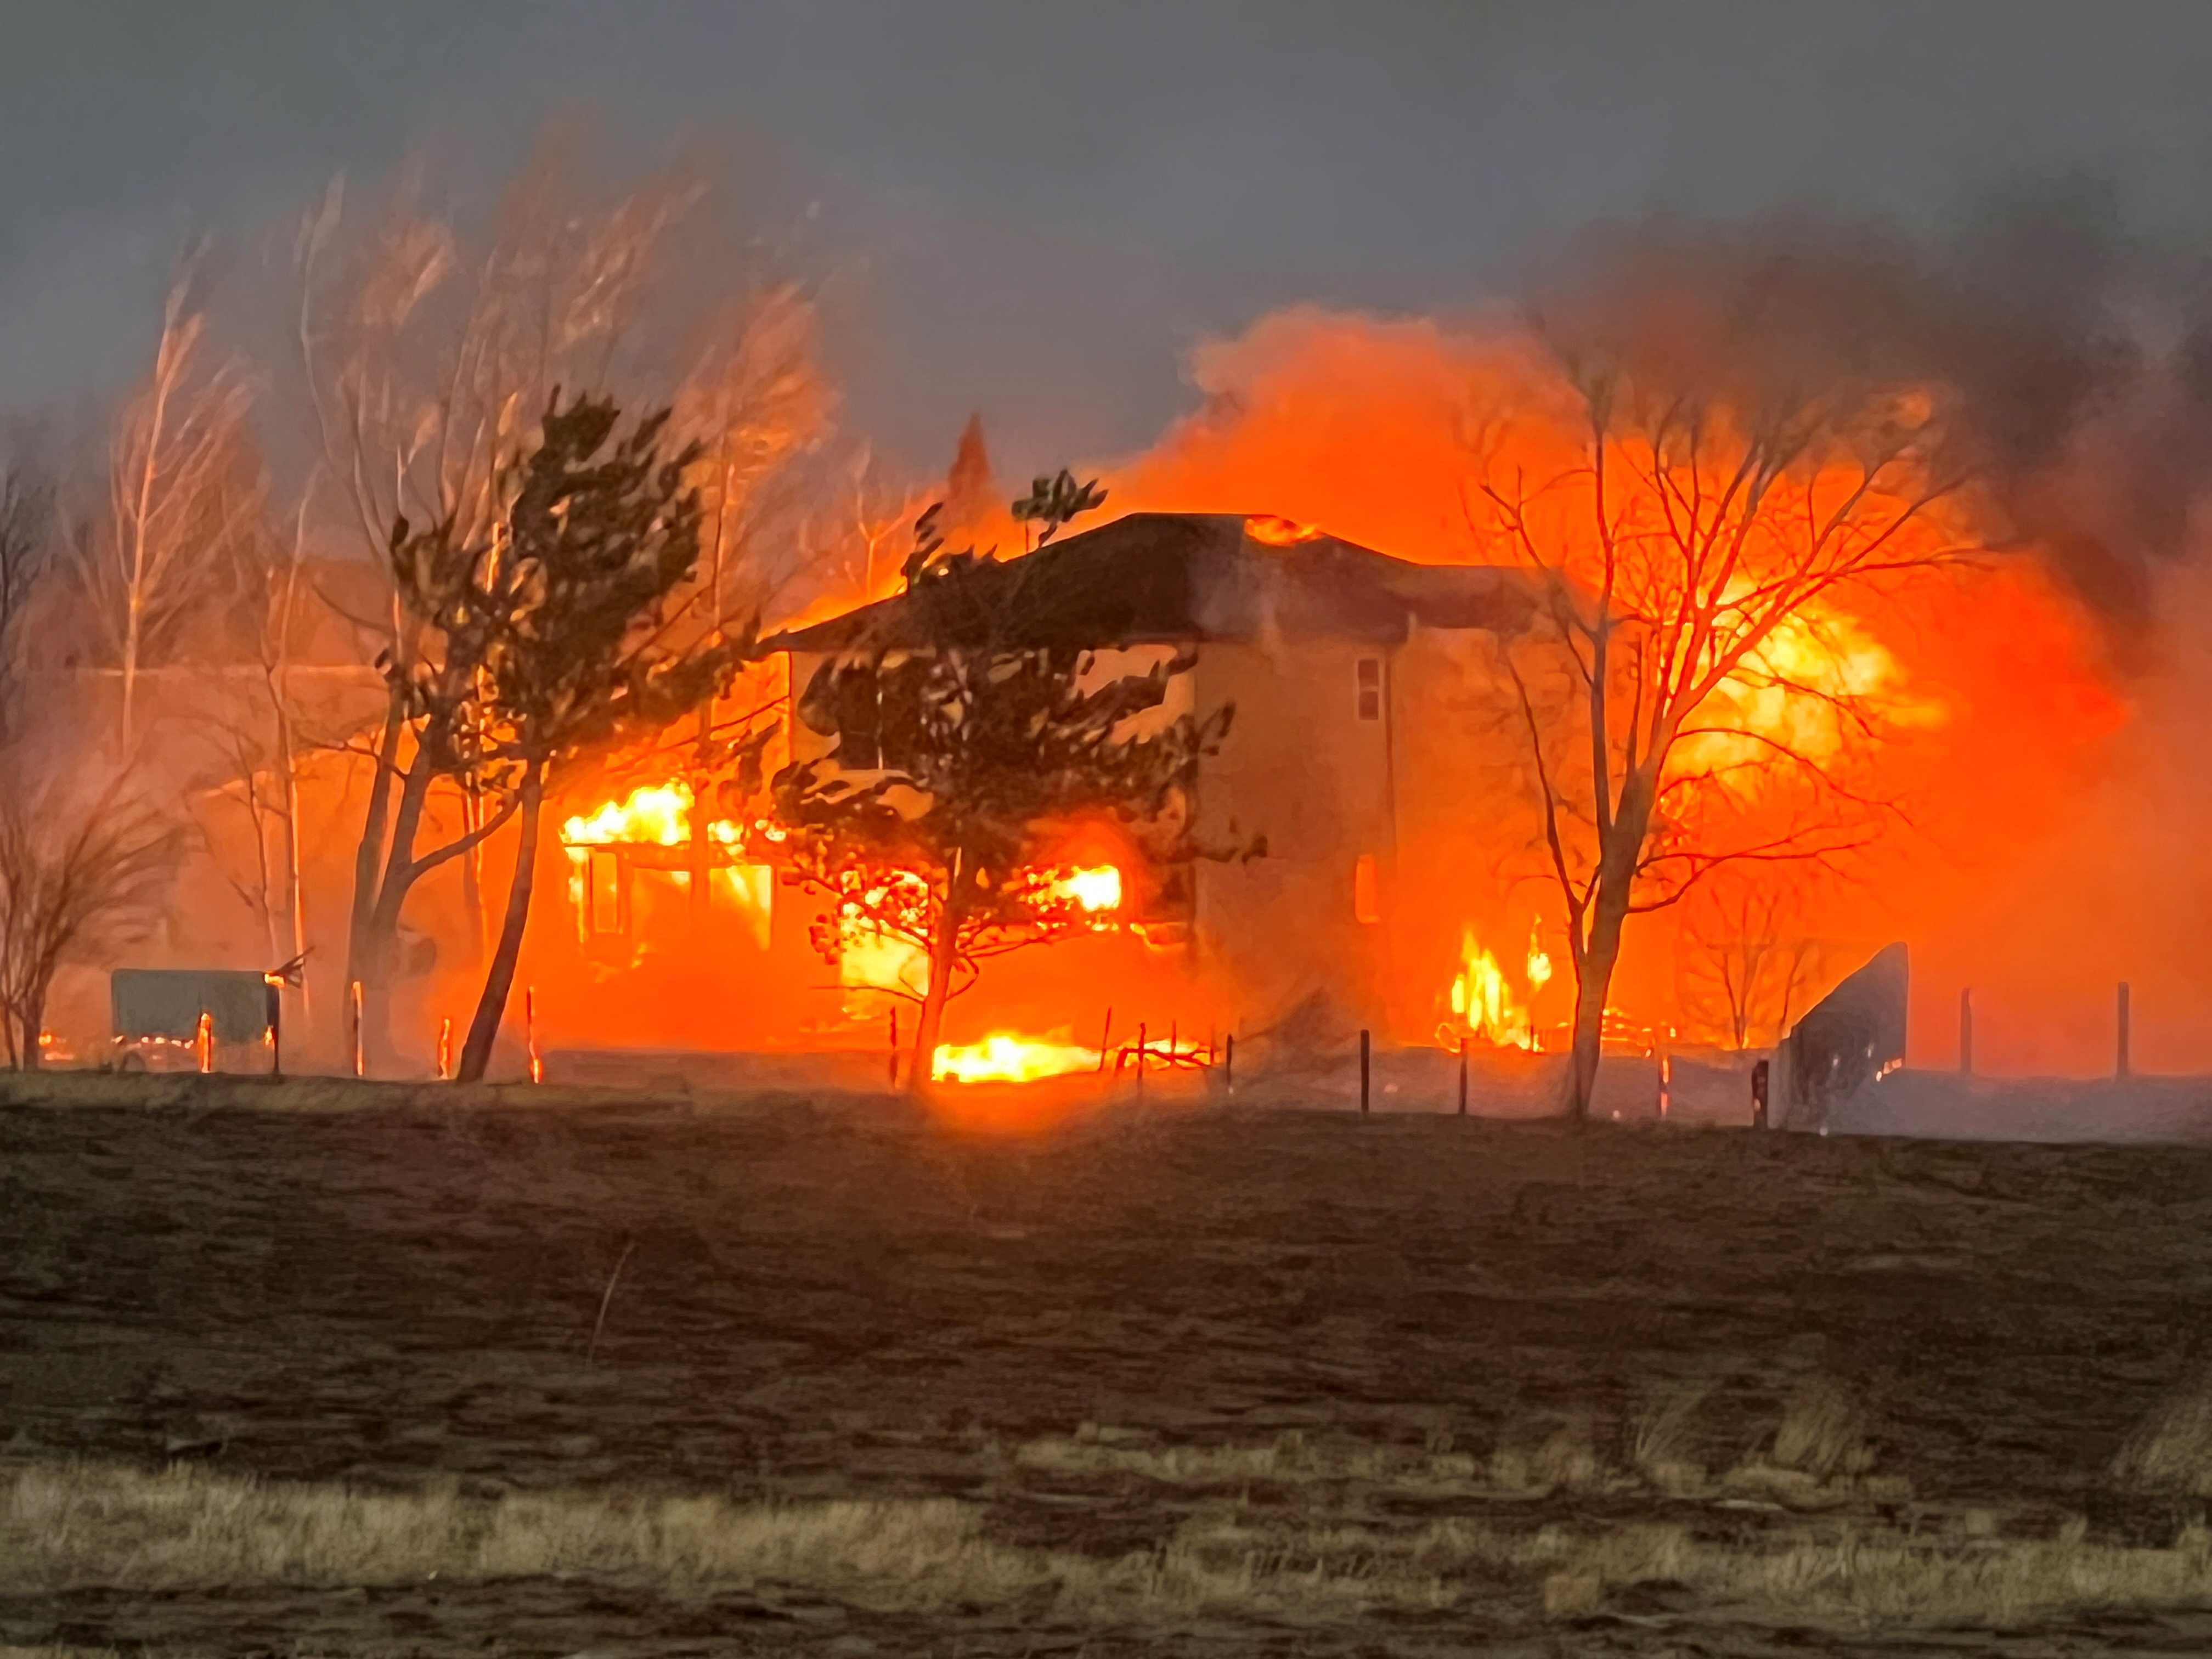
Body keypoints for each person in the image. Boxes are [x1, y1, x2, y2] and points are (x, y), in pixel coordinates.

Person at [1750, 1057, 1770, 1129]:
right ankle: (1759, 1125)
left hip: (1764, 1095)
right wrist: (1755, 1097)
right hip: (1760, 1095)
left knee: (1762, 1111)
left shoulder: (1758, 1070)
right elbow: (1754, 1085)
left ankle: (1762, 1125)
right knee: (1759, 1111)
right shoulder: (1756, 1070)